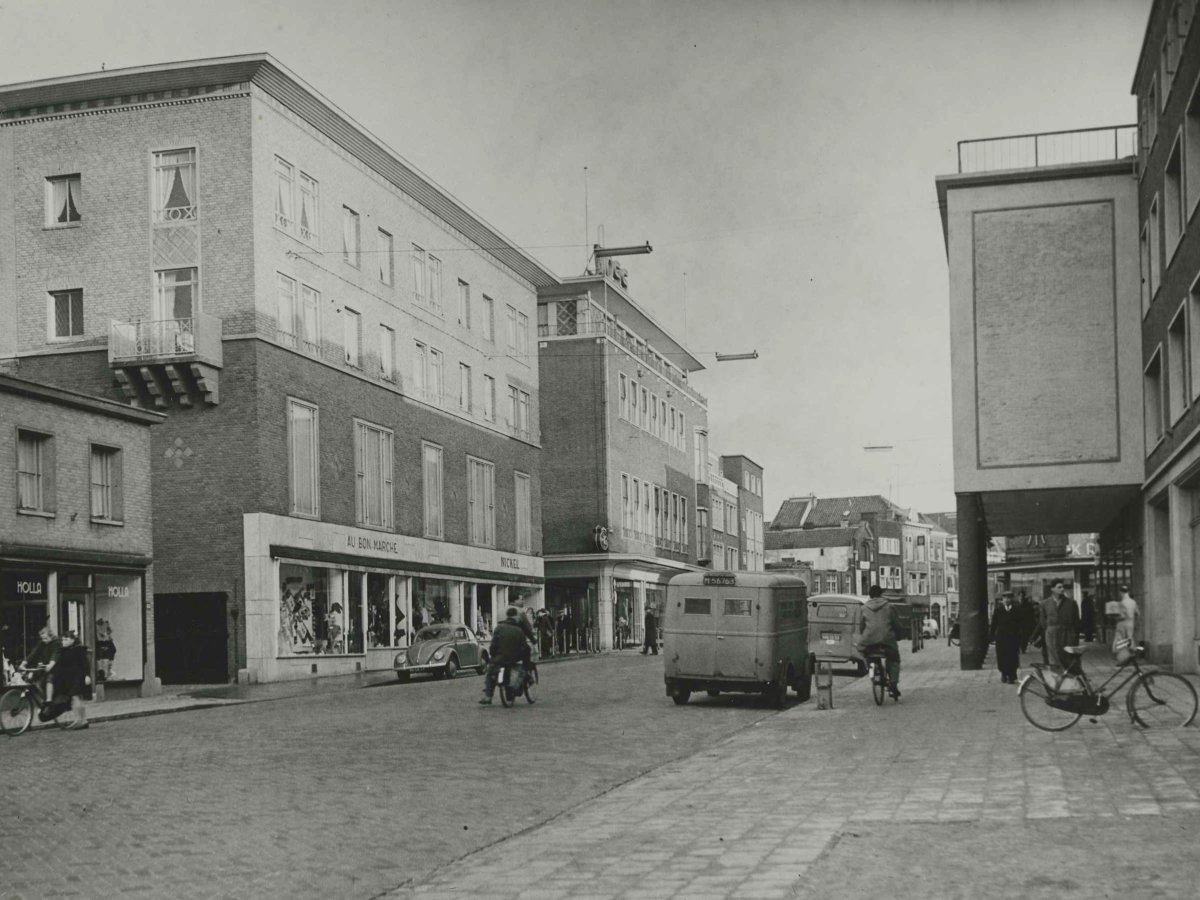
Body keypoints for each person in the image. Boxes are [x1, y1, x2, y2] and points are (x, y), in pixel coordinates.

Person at [855, 585, 903, 698]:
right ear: (881, 594)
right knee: (894, 659)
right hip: (887, 640)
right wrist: (899, 636)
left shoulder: (864, 608)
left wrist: (865, 636)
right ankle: (893, 685)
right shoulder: (889, 607)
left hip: (869, 640)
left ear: (870, 595)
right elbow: (896, 624)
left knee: (863, 651)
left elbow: (861, 627)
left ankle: (870, 668)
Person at [479, 607, 533, 705]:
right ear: (515, 617)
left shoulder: (499, 628)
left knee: (491, 672)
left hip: (500, 658)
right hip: (514, 659)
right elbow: (524, 647)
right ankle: (519, 685)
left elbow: (493, 644)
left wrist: (493, 655)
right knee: (519, 670)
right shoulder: (519, 630)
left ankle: (488, 696)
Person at [53, 630, 91, 730]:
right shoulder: (63, 651)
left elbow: (85, 663)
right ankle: (84, 720)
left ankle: (79, 720)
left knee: (75, 698)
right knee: (77, 699)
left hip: (78, 677)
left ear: (73, 640)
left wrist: (87, 675)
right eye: (62, 640)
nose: (63, 642)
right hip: (69, 679)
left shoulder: (78, 650)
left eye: (66, 639)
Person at [20, 624, 60, 706]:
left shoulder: (56, 643)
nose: (44, 640)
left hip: (55, 667)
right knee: (31, 677)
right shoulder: (42, 643)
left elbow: (55, 654)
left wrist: (51, 664)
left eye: (45, 638)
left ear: (51, 636)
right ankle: (41, 700)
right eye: (42, 638)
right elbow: (33, 653)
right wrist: (24, 662)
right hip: (44, 666)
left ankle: (49, 701)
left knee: (50, 678)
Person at [1042, 580, 1079, 670]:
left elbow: (1076, 622)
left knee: (1068, 659)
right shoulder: (1045, 604)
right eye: (1059, 587)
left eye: (1063, 587)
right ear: (1052, 589)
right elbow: (1043, 622)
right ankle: (1056, 681)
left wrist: (1074, 636)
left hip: (1067, 634)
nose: (1062, 589)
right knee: (1054, 659)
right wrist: (1049, 632)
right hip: (1052, 635)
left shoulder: (1071, 603)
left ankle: (1070, 681)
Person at [989, 591, 1022, 683]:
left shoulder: (1017, 610)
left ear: (1012, 599)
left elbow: (1021, 624)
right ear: (1002, 600)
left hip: (1013, 637)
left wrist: (1021, 637)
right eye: (1005, 598)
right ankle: (1004, 673)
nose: (1007, 600)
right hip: (1001, 638)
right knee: (1002, 656)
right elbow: (993, 624)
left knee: (1013, 656)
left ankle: (1012, 675)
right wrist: (991, 637)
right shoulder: (998, 610)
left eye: (1009, 598)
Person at [1113, 584, 1140, 662]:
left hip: (1122, 624)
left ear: (1121, 592)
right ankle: (1131, 656)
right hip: (1130, 624)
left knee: (1120, 641)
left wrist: (1114, 617)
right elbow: (1138, 613)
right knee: (1129, 640)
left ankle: (1122, 658)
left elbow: (1122, 616)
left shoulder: (1121, 603)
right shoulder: (1133, 602)